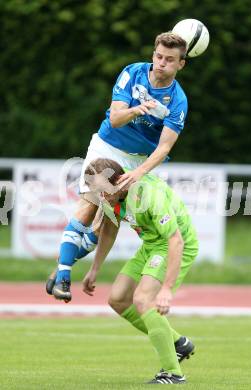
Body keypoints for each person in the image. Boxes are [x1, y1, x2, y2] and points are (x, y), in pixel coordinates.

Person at [46, 31, 189, 302]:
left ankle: (60, 266)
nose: (161, 63)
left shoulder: (178, 101)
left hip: (138, 161)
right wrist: (138, 109)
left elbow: (164, 148)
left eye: (170, 60)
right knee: (90, 205)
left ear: (181, 64)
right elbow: (115, 119)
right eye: (159, 56)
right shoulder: (132, 73)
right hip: (107, 146)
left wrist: (138, 172)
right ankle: (64, 276)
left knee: (107, 223)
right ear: (153, 55)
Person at [82, 158, 199, 384]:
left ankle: (173, 373)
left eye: (102, 191)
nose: (100, 197)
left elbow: (176, 241)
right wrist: (94, 269)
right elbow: (109, 229)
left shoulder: (148, 196)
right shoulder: (111, 196)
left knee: (144, 300)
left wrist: (166, 289)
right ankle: (178, 343)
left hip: (174, 244)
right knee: (117, 299)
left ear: (118, 181)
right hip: (152, 245)